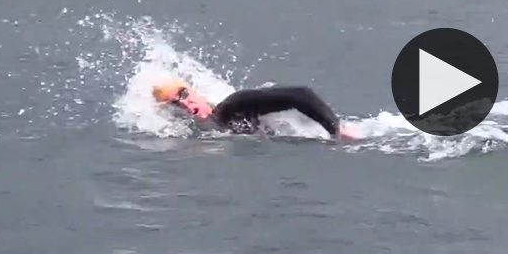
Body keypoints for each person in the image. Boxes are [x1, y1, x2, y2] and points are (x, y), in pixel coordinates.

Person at [151, 78, 357, 140]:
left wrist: (335, 129)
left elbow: (300, 94)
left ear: (193, 91)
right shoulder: (185, 133)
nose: (185, 104)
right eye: (175, 103)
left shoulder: (232, 107)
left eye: (184, 94)